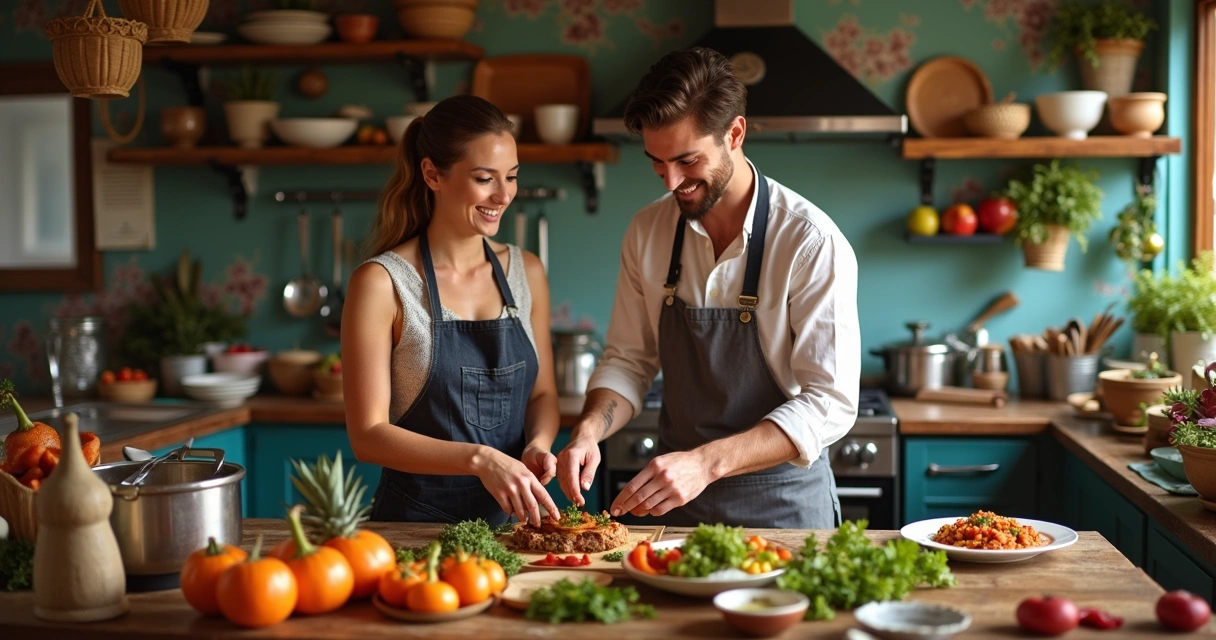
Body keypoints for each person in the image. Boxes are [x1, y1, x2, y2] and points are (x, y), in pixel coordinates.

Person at [555, 47, 860, 529]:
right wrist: (589, 432)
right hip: (675, 505)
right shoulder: (647, 231)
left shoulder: (808, 242)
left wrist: (705, 463)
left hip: (783, 506)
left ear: (734, 133)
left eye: (687, 160)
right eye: (657, 163)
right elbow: (629, 359)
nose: (673, 181)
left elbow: (830, 402)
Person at [342, 95, 561, 528]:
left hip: (515, 527)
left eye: (512, 177)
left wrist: (537, 444)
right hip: (412, 528)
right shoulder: (382, 283)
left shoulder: (527, 272)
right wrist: (480, 459)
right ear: (432, 174)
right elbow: (367, 437)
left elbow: (543, 395)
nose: (503, 195)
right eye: (485, 178)